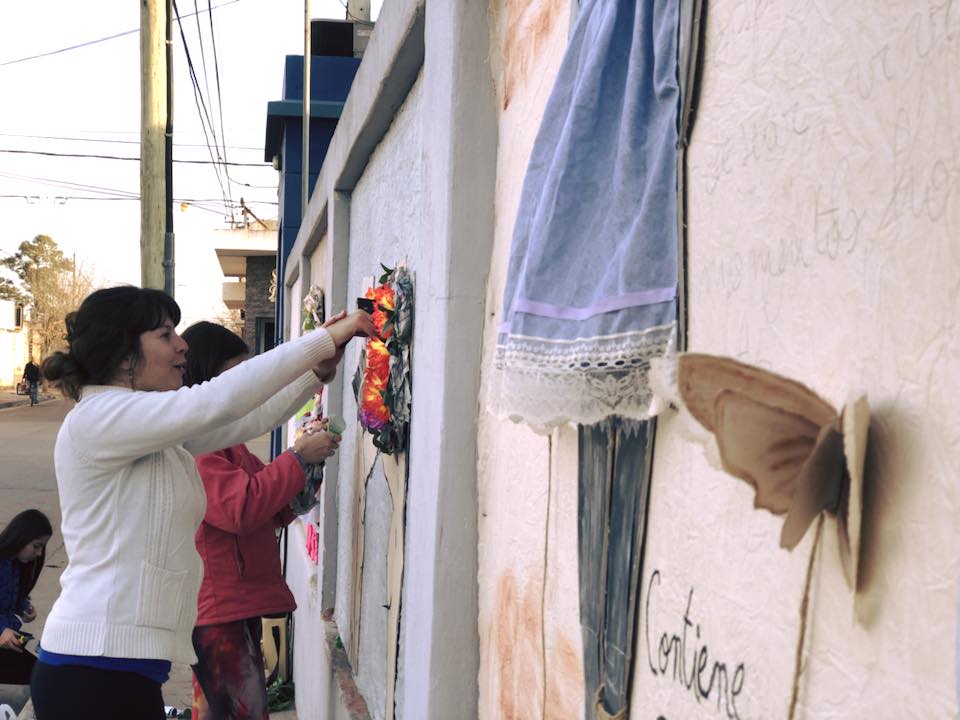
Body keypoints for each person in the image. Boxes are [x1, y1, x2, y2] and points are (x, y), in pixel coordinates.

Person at [29, 286, 373, 720]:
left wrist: (313, 373)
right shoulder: (98, 419)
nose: (182, 345)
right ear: (124, 355)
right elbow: (215, 400)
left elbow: (246, 419)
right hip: (91, 671)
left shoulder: (147, 430)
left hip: (121, 671)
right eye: (165, 334)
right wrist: (319, 341)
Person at [180, 321, 341, 720]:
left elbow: (270, 505)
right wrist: (298, 458)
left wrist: (306, 467)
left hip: (234, 604)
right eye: (237, 375)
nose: (246, 389)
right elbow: (242, 507)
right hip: (219, 609)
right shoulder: (199, 446)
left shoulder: (225, 440)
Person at [0, 509, 52, 685]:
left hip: (8, 638)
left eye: (42, 547)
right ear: (20, 538)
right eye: (36, 546)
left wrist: (23, 607)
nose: (39, 553)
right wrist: (1, 630)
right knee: (39, 676)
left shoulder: (17, 564)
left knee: (40, 670)